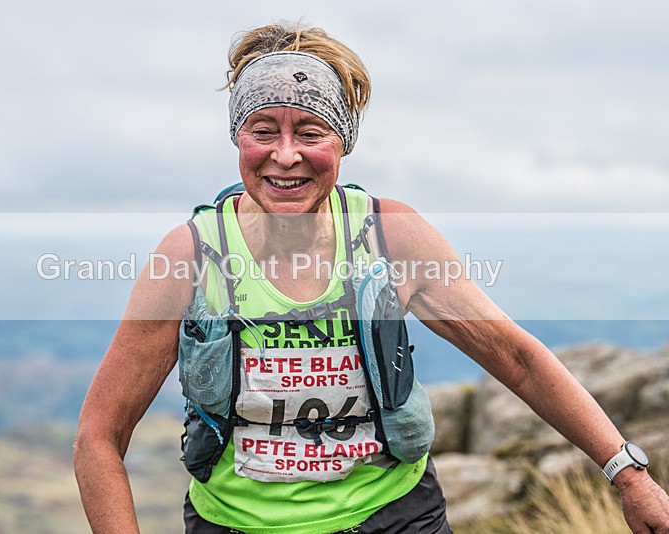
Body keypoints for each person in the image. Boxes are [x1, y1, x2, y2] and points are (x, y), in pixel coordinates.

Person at [73, 22, 669, 533]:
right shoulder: (191, 256)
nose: (285, 155)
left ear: (343, 142)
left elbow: (515, 357)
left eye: (310, 132)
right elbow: (100, 436)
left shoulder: (391, 237)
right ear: (237, 138)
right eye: (263, 131)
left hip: (398, 516)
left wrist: (627, 474)